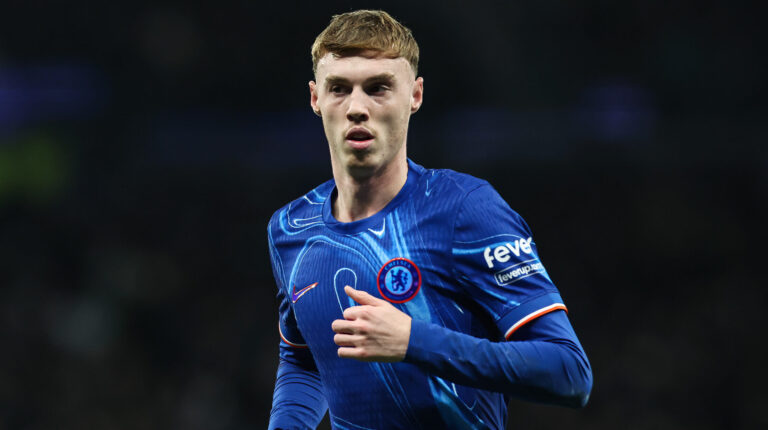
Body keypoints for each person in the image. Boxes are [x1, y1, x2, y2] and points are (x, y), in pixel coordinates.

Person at [267, 10, 592, 429]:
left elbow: (569, 372)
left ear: (415, 95)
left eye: (379, 88)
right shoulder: (290, 229)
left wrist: (412, 341)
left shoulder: (464, 208)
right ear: (315, 99)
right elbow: (303, 360)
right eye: (339, 89)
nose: (357, 108)